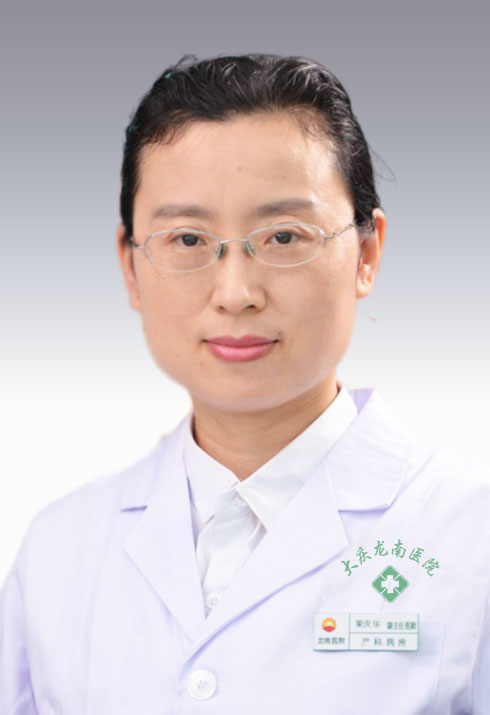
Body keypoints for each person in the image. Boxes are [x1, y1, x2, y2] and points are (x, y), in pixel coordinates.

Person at [0, 52, 489, 715]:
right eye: (187, 240)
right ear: (131, 267)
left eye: (284, 235)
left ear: (367, 253)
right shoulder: (60, 550)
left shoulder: (470, 537)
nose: (235, 293)